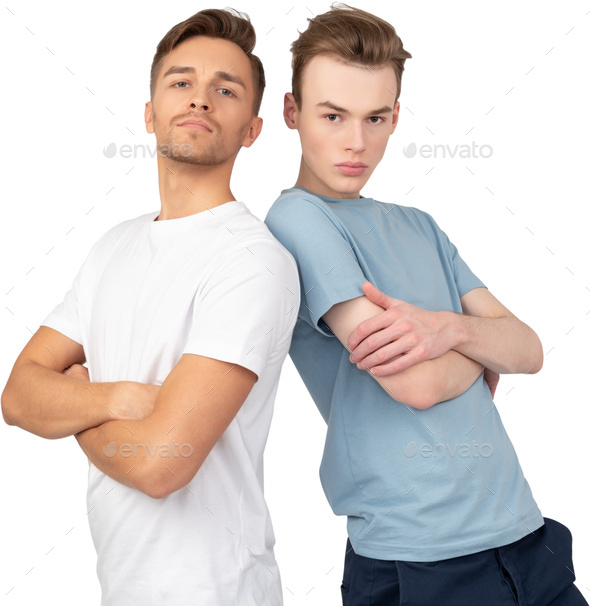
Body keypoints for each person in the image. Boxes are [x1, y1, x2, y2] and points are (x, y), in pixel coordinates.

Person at [265, 5, 587, 605]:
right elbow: (415, 384)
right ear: (292, 112)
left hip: (524, 530)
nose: (355, 142)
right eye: (332, 116)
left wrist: (444, 330)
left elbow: (531, 350)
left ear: (394, 119)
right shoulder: (297, 220)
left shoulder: (419, 224)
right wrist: (477, 344)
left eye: (375, 117)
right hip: (420, 559)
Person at [2, 8, 298, 605]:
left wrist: (76, 411)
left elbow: (163, 463)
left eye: (226, 89)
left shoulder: (253, 262)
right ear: (149, 113)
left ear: (253, 129)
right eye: (181, 82)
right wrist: (114, 398)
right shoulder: (114, 246)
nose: (201, 100)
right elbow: (16, 397)